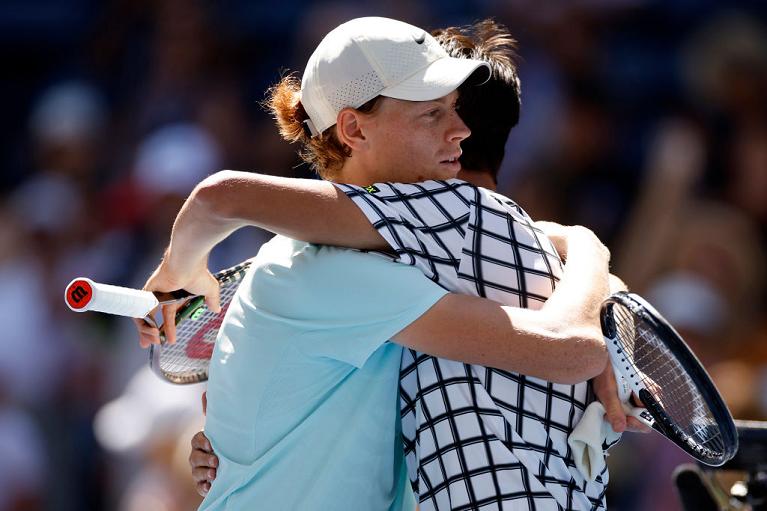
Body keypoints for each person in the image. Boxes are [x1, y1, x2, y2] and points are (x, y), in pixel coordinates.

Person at [139, 17, 619, 510]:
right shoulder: (329, 273)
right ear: (353, 129)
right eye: (430, 115)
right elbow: (569, 351)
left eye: (452, 110)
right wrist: (588, 246)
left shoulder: (396, 264)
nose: (460, 131)